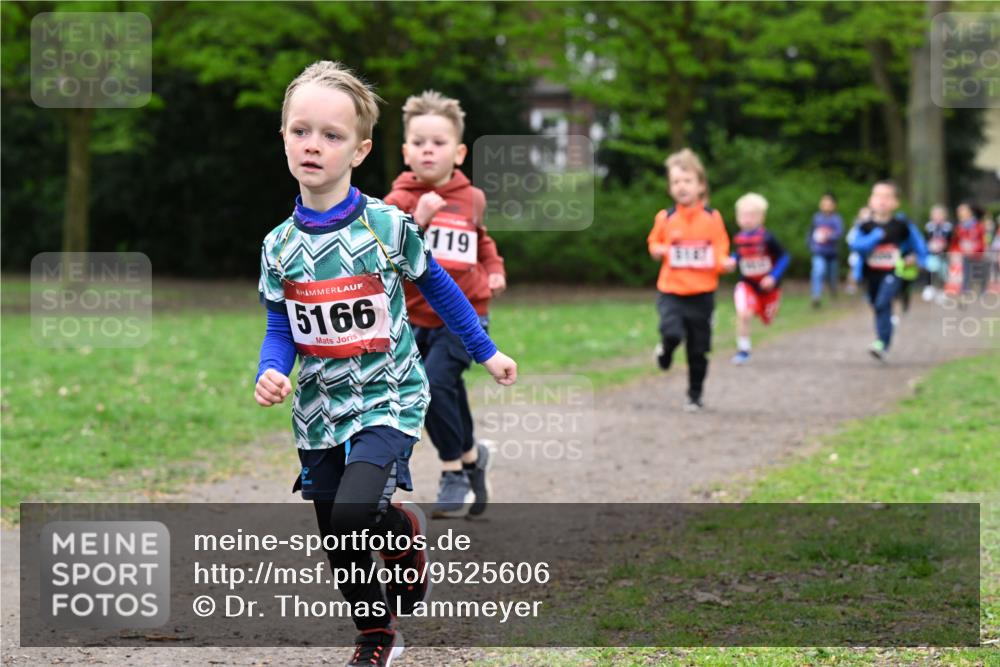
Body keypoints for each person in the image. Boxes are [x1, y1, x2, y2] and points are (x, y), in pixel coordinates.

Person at [254, 61, 517, 667]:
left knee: (353, 513)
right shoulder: (278, 245)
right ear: (285, 138)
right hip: (320, 406)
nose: (312, 145)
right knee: (338, 536)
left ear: (360, 149)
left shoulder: (386, 225)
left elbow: (446, 292)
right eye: (300, 131)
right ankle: (379, 630)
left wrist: (486, 350)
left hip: (387, 394)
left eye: (331, 135)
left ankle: (393, 537)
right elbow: (280, 326)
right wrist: (270, 370)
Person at [384, 90, 505, 519]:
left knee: (434, 385)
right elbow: (385, 258)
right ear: (405, 151)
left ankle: (453, 472)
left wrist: (493, 266)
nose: (428, 150)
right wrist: (417, 221)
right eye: (419, 143)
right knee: (440, 391)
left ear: (458, 151)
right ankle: (473, 460)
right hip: (416, 318)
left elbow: (482, 239)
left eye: (438, 143)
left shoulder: (471, 197)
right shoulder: (396, 202)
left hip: (467, 312)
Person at [647, 148, 730, 411]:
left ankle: (695, 395)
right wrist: (656, 249)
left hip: (702, 294)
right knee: (672, 332)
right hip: (671, 290)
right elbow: (654, 242)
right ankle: (666, 350)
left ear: (701, 185)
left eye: (687, 181)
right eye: (675, 182)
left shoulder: (712, 218)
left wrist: (723, 263)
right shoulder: (666, 217)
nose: (681, 187)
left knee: (698, 349)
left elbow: (720, 248)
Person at [849, 180, 927, 361]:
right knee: (877, 306)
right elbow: (856, 246)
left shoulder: (902, 225)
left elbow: (920, 247)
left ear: (895, 203)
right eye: (878, 196)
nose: (882, 200)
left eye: (887, 197)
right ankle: (884, 333)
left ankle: (882, 342)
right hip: (870, 275)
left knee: (882, 303)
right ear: (870, 201)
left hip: (894, 272)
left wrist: (915, 258)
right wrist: (875, 236)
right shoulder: (864, 226)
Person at [729, 193, 790, 365]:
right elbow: (739, 254)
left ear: (761, 217)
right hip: (747, 284)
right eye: (743, 215)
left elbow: (784, 257)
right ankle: (743, 349)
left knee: (767, 320)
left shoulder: (768, 238)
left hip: (768, 288)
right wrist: (733, 260)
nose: (747, 219)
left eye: (752, 215)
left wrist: (773, 276)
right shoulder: (738, 238)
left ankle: (764, 307)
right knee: (744, 314)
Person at [808, 193, 843, 307]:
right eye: (824, 203)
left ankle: (833, 290)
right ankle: (816, 296)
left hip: (832, 253)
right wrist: (812, 245)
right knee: (818, 272)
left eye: (829, 204)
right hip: (819, 252)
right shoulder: (816, 218)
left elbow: (839, 233)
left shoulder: (836, 219)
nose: (826, 206)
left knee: (832, 277)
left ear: (834, 205)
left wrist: (828, 236)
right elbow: (810, 233)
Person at [952, 202, 989, 295]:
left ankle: (982, 290)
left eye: (963, 210)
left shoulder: (979, 226)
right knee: (966, 272)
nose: (960, 212)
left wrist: (975, 249)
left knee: (980, 272)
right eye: (959, 211)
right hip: (965, 255)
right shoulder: (959, 227)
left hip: (978, 255)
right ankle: (965, 289)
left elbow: (983, 241)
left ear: (970, 212)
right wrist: (957, 251)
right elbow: (955, 242)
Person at [920, 204, 953, 302]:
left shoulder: (948, 227)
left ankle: (941, 291)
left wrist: (944, 246)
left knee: (943, 273)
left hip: (944, 254)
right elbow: (925, 240)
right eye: (935, 214)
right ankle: (929, 288)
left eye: (940, 214)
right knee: (930, 270)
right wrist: (930, 246)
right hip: (931, 254)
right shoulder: (929, 227)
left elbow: (950, 240)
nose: (938, 217)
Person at [845, 206, 871, 296]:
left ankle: (867, 290)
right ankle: (852, 286)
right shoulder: (856, 227)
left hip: (870, 255)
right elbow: (850, 240)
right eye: (864, 213)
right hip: (857, 254)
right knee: (853, 270)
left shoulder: (873, 226)